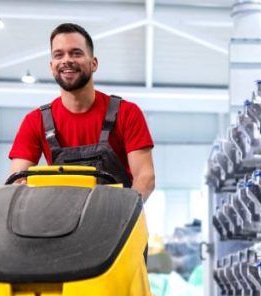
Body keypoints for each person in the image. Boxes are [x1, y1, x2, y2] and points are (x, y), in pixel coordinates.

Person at [8, 22, 156, 200]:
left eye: (76, 53)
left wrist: (125, 215)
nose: (66, 60)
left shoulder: (126, 113)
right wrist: (20, 190)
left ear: (93, 63)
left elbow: (145, 178)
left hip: (120, 221)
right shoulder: (35, 121)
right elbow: (16, 181)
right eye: (58, 55)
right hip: (62, 223)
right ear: (51, 65)